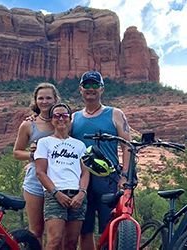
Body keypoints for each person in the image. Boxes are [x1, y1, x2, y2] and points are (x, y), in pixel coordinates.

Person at [70, 71, 131, 250]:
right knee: (85, 228)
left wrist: (125, 176)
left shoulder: (115, 114)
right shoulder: (74, 117)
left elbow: (126, 146)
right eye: (87, 85)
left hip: (108, 178)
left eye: (95, 85)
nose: (91, 89)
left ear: (102, 89)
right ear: (81, 89)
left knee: (110, 226)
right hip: (82, 180)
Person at [34, 103, 89, 250]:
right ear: (52, 120)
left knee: (71, 242)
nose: (61, 119)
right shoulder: (44, 143)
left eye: (64, 115)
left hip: (77, 195)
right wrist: (56, 193)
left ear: (70, 119)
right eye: (57, 116)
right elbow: (40, 172)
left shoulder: (79, 145)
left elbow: (85, 172)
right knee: (54, 240)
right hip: (55, 194)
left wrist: (82, 193)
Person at [13, 82, 60, 244]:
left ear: (55, 100)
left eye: (48, 98)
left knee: (55, 232)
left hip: (59, 179)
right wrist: (34, 155)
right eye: (41, 98)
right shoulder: (28, 125)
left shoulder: (63, 122)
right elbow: (17, 152)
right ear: (35, 100)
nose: (44, 101)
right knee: (36, 231)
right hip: (35, 179)